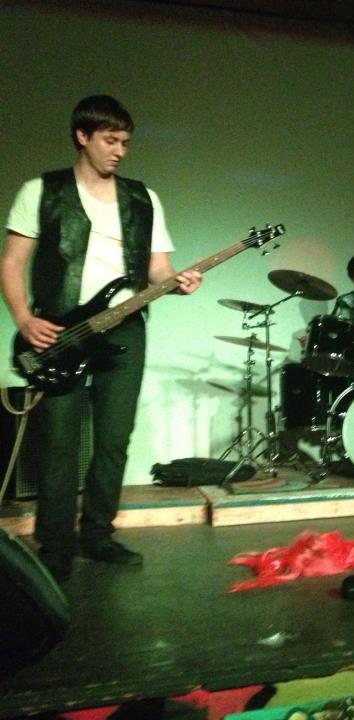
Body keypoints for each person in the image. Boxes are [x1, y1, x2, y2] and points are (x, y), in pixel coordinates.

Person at [0, 95, 203, 581]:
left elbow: (157, 268)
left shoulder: (143, 198)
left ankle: (98, 534)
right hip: (61, 329)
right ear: (82, 136)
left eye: (125, 142)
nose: (119, 151)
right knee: (59, 442)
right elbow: (11, 262)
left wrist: (177, 282)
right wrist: (24, 318)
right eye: (110, 140)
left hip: (124, 328)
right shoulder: (41, 191)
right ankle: (55, 544)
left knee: (114, 438)